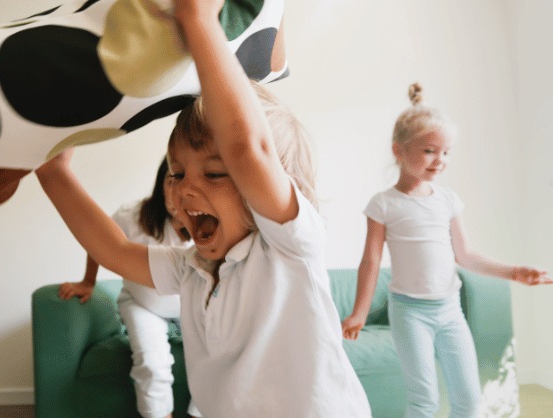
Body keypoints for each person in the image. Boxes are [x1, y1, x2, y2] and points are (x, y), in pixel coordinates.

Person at [35, 0, 371, 416]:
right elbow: (114, 252)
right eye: (175, 173)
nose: (183, 190)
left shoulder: (289, 248)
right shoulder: (191, 269)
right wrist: (53, 174)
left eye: (214, 174)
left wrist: (199, 21)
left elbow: (247, 149)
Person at [341, 83, 553, 418]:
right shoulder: (383, 204)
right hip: (410, 313)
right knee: (424, 400)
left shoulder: (447, 200)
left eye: (446, 152)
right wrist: (359, 313)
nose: (439, 160)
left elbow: (466, 255)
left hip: (450, 311)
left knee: (469, 400)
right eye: (429, 150)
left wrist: (513, 272)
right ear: (398, 150)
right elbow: (371, 262)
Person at [57, 158, 199, 418]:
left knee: (213, 357)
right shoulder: (131, 216)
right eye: (173, 180)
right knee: (152, 363)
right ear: (161, 184)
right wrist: (88, 281)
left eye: (187, 183)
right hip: (142, 302)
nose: (179, 190)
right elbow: (99, 244)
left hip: (191, 306)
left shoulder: (208, 219)